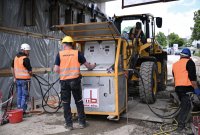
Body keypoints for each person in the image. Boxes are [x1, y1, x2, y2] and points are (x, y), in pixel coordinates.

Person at [54, 36, 96, 131]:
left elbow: (56, 69)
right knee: (79, 101)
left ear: (64, 44)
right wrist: (93, 65)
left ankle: (69, 125)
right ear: (72, 44)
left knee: (66, 103)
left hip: (64, 82)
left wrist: (64, 72)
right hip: (75, 81)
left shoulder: (59, 54)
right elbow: (88, 66)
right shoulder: (77, 53)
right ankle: (82, 123)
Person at [172, 48, 200, 132]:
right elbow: (192, 79)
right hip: (186, 88)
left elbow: (175, 76)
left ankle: (180, 121)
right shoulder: (190, 62)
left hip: (178, 89)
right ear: (189, 56)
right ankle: (180, 126)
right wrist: (197, 90)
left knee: (184, 105)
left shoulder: (175, 64)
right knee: (186, 107)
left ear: (181, 55)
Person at [11, 43, 32, 116]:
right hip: (25, 80)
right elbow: (29, 70)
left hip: (17, 80)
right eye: (27, 51)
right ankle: (23, 111)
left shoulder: (15, 58)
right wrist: (31, 74)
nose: (28, 52)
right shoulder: (25, 59)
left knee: (19, 95)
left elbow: (12, 68)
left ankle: (19, 109)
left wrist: (14, 77)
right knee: (24, 95)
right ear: (23, 50)